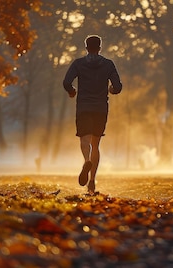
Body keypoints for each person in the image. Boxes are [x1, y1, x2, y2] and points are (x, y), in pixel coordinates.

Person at [62, 35, 122, 195]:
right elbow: (118, 86)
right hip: (101, 108)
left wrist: (72, 91)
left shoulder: (79, 64)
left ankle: (86, 161)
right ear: (100, 47)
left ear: (86, 47)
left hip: (83, 107)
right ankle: (92, 181)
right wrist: (111, 89)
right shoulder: (108, 64)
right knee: (96, 144)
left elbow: (66, 82)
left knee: (84, 140)